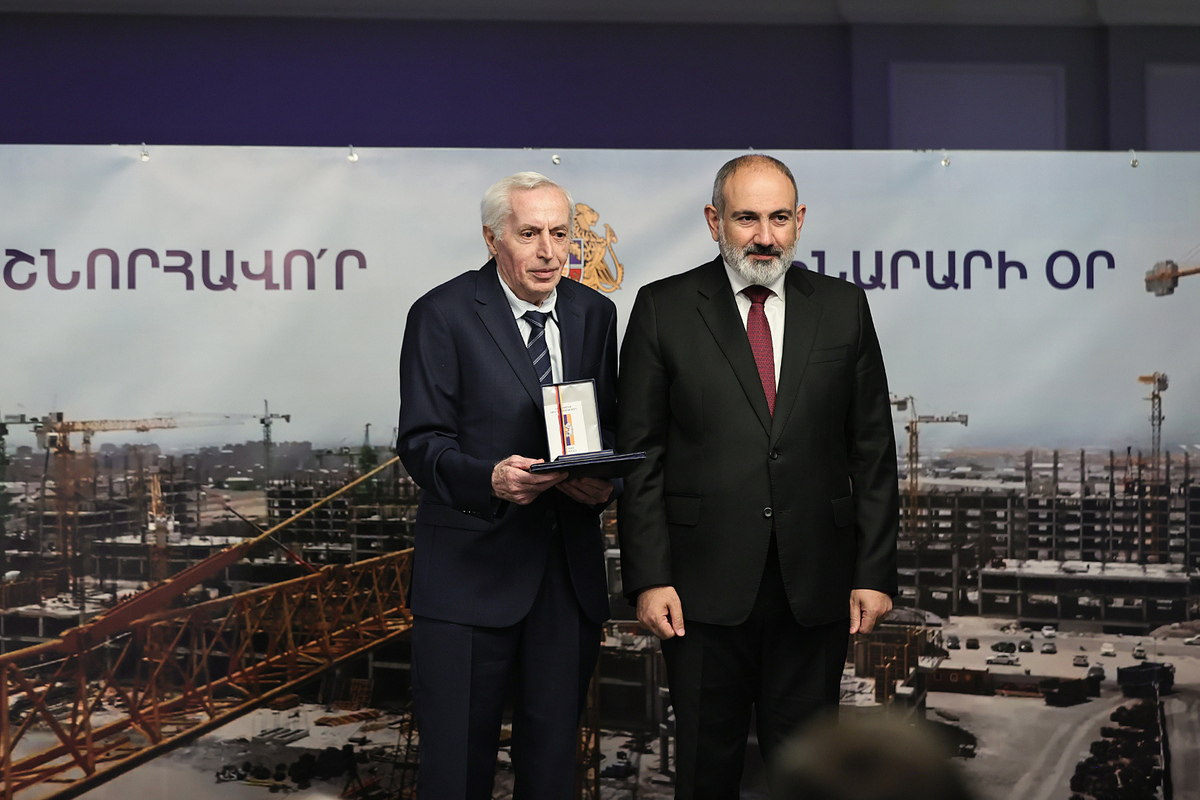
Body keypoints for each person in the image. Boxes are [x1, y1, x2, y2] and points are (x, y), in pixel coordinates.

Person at [617, 154, 899, 799]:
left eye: (779, 218)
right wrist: (650, 576)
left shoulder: (844, 307)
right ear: (714, 220)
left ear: (800, 221)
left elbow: (873, 452)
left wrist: (874, 573)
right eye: (747, 218)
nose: (765, 236)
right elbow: (641, 457)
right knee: (704, 772)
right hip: (698, 591)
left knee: (808, 778)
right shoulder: (662, 308)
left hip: (815, 587)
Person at [396, 172, 618, 800]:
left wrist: (606, 485)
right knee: (456, 772)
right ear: (492, 239)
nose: (549, 252)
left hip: (566, 582)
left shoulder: (595, 313)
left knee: (552, 773)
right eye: (529, 234)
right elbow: (421, 441)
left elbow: (608, 426)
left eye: (560, 234)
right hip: (468, 578)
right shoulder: (440, 314)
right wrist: (489, 479)